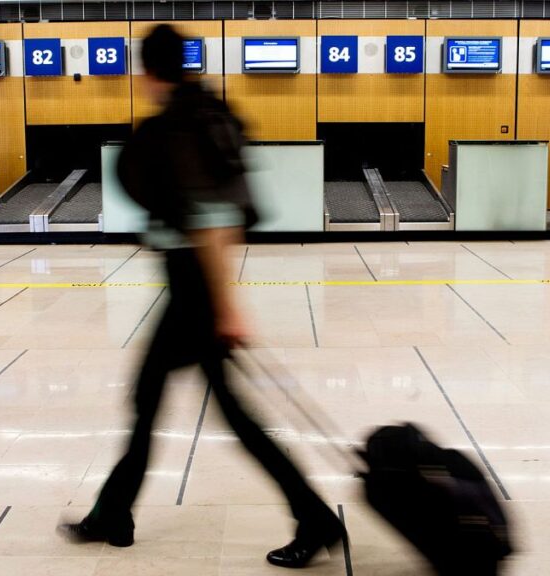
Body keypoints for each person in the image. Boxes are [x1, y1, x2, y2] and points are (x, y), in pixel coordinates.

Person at [61, 24, 345, 569]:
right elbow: (230, 213)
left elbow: (211, 224)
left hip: (196, 292)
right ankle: (113, 513)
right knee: (154, 402)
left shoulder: (180, 127)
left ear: (145, 72)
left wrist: (226, 307)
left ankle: (314, 518)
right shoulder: (211, 114)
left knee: (223, 415)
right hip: (194, 288)